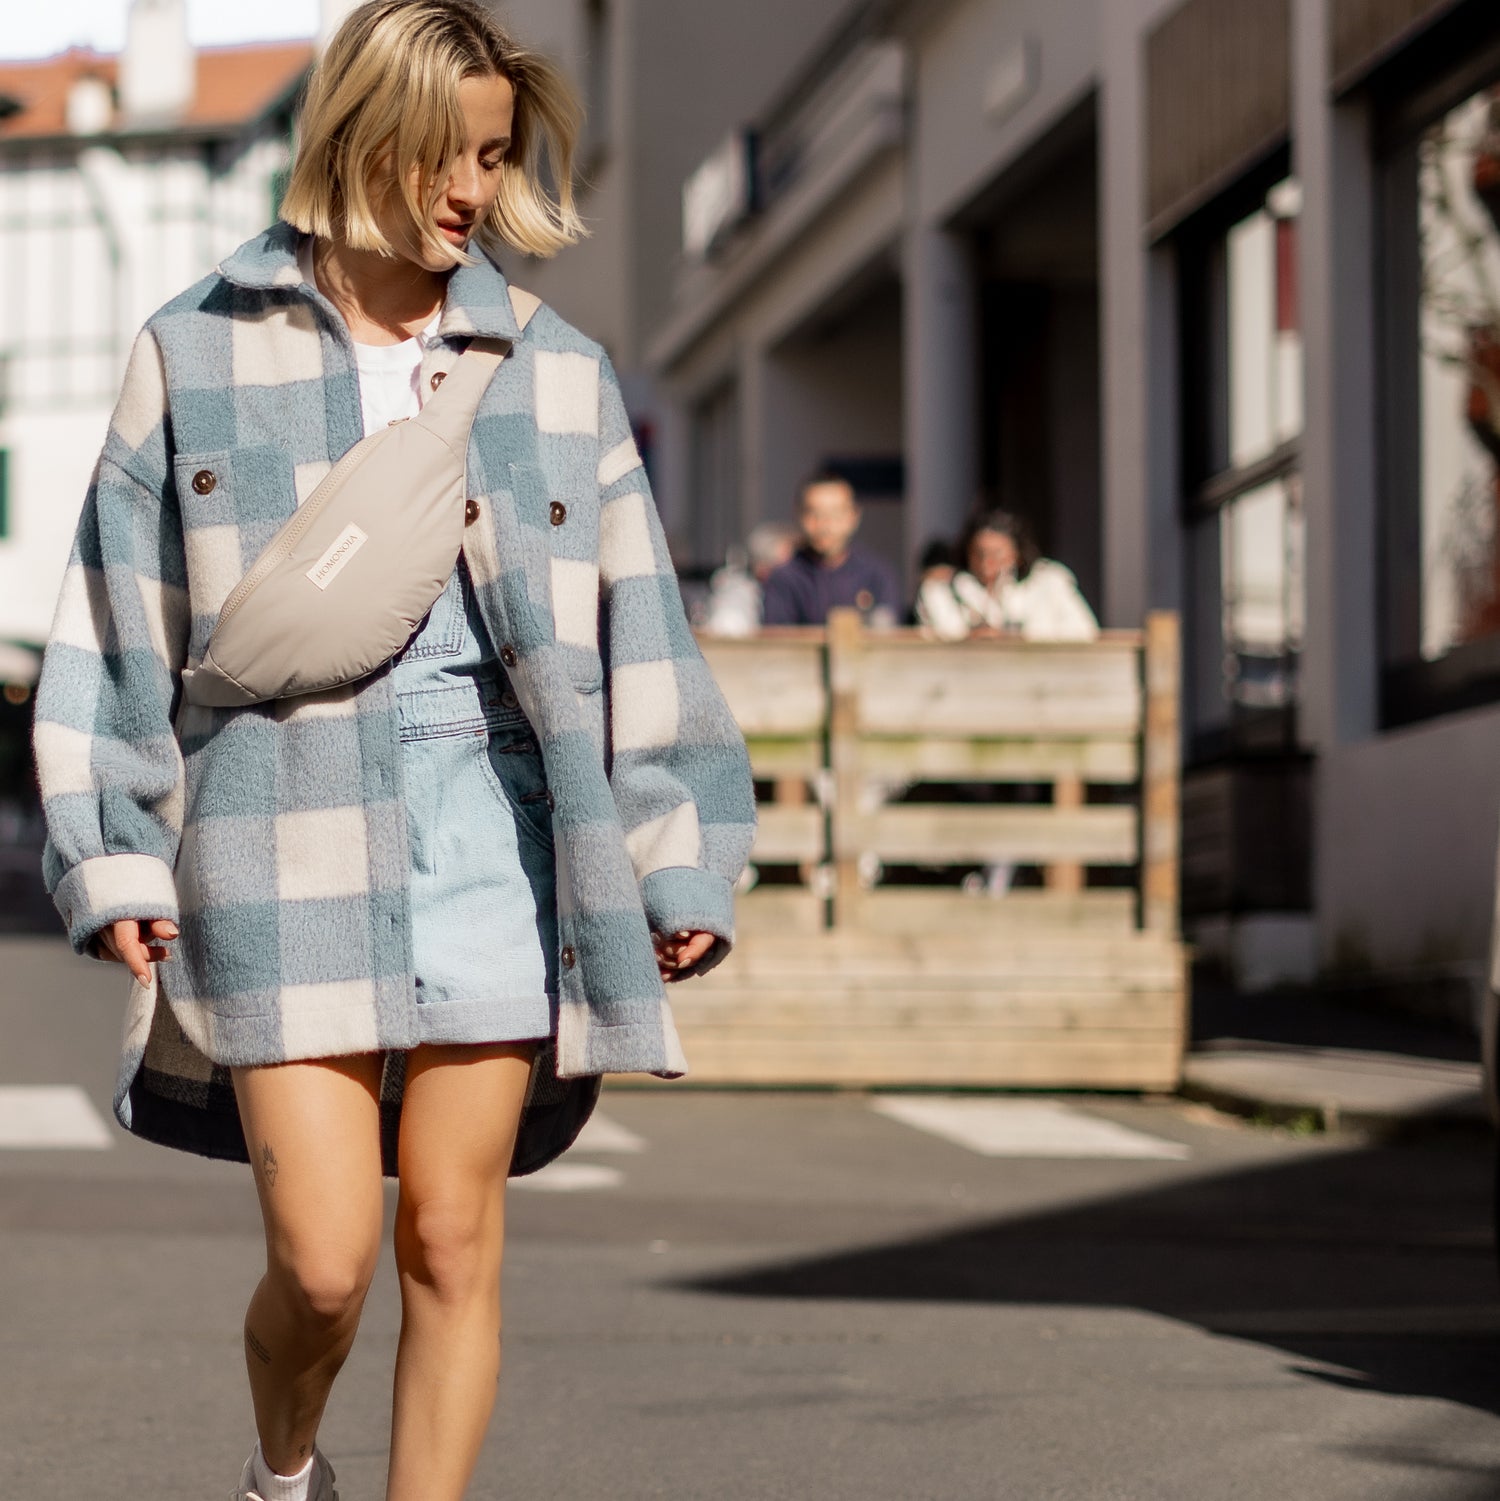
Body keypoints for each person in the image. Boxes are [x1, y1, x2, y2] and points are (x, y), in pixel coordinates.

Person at [29, 5, 754, 1500]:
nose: (474, 189)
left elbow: (639, 639)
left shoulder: (555, 371)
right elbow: (115, 625)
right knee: (324, 1262)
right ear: (365, 131)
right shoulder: (196, 350)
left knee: (447, 1233)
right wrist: (113, 844)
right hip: (274, 815)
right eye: (449, 151)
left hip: (496, 821)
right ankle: (286, 1471)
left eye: (495, 156)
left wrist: (678, 856)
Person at [915, 508, 1099, 642]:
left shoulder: (1049, 582)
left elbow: (1085, 634)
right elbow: (929, 639)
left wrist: (1014, 639)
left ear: (1017, 555)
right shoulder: (942, 590)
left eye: (997, 555)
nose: (987, 564)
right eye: (979, 554)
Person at [761, 470, 900, 627]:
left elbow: (886, 636)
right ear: (799, 514)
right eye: (814, 513)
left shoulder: (876, 576)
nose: (824, 525)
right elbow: (779, 643)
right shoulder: (785, 579)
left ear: (853, 516)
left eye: (835, 514)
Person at [700, 520, 798, 635]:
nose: (794, 573)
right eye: (787, 568)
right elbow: (727, 627)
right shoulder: (738, 597)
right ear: (762, 568)